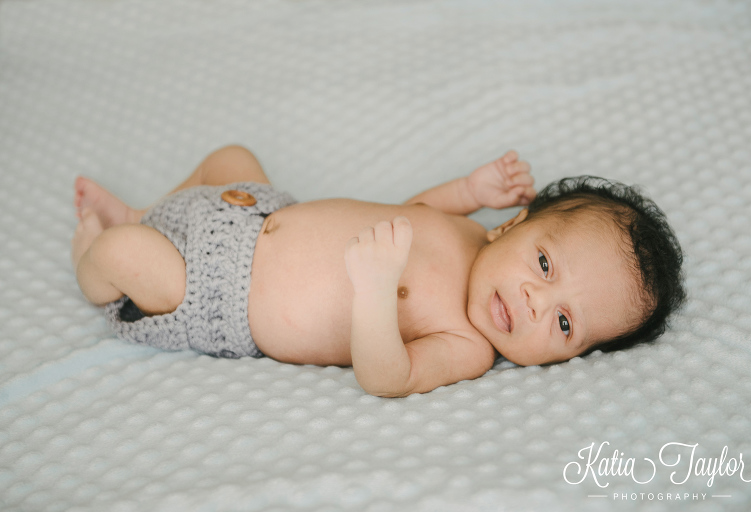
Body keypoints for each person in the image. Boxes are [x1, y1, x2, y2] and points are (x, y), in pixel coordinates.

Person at [71, 145, 685, 397]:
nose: (531, 301)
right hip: (257, 211)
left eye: (563, 323)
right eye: (545, 263)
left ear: (569, 357)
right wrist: (470, 188)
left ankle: (92, 256)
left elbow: (387, 376)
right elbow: (415, 211)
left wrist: (373, 291)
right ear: (511, 223)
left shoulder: (467, 344)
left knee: (124, 253)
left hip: (220, 293)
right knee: (231, 158)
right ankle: (149, 211)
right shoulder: (471, 231)